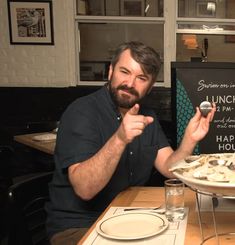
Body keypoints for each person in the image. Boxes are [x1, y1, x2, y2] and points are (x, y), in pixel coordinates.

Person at [45, 41, 216, 245]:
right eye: (124, 71)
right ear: (110, 71)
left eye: (141, 78)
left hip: (128, 219)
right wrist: (120, 138)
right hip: (78, 227)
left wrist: (190, 140)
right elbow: (85, 188)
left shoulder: (147, 116)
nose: (130, 83)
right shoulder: (82, 111)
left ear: (150, 87)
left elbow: (170, 168)